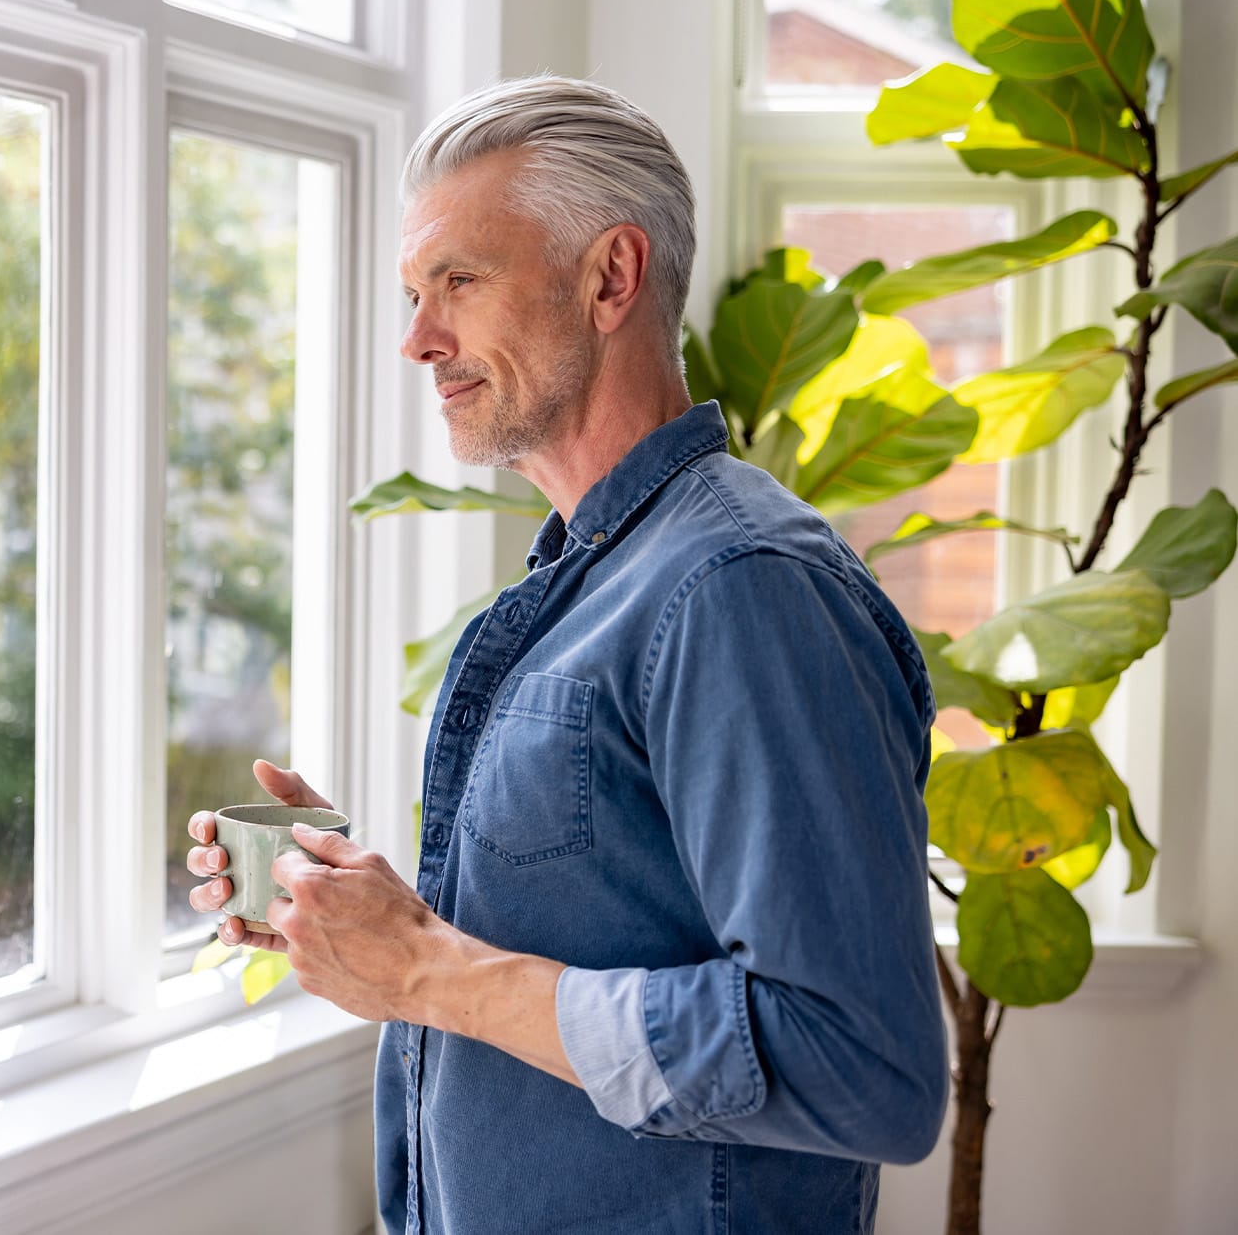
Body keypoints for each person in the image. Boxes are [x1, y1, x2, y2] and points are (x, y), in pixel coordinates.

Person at [187, 76, 948, 1233]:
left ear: (610, 276)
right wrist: (365, 922)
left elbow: (863, 1068)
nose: (415, 337)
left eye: (457, 281)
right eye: (410, 290)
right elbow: (590, 936)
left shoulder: (738, 588)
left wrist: (427, 971)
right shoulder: (591, 580)